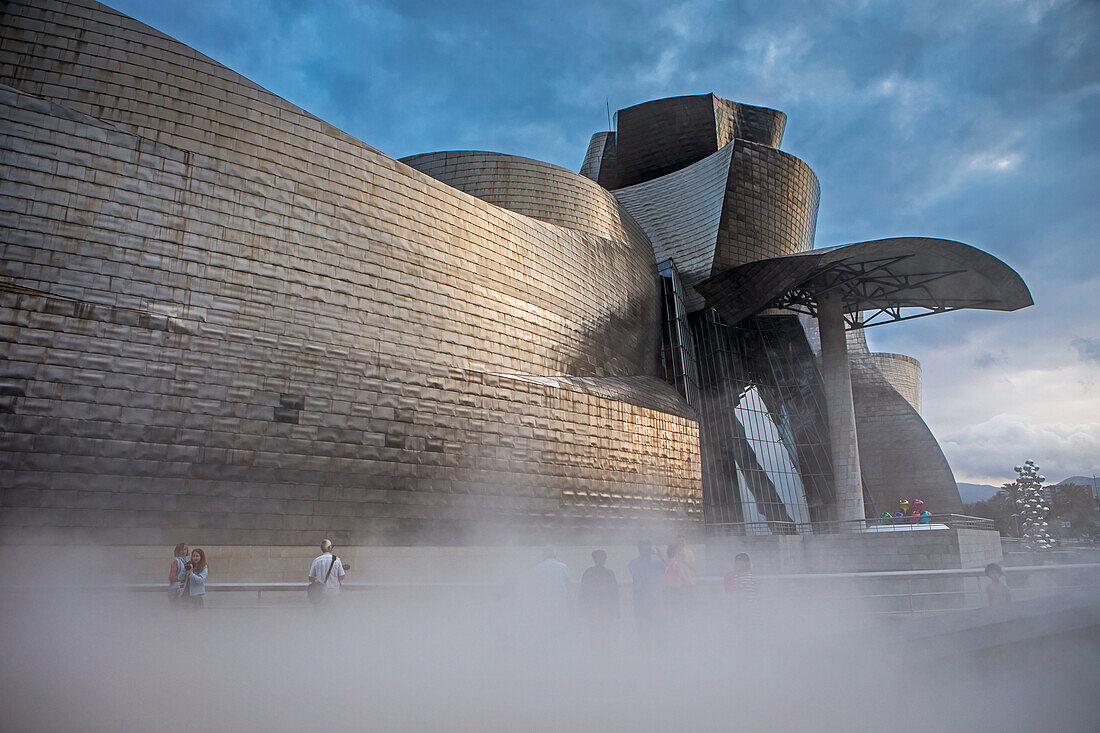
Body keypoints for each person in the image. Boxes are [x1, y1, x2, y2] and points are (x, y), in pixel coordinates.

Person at [627, 540, 665, 634]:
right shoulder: (657, 564)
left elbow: (630, 567)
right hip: (653, 599)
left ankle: (643, 644)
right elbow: (666, 568)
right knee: (654, 626)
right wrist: (658, 555)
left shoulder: (634, 563)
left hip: (640, 600)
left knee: (642, 626)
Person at [579, 549, 619, 632]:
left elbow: (614, 592)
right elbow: (583, 591)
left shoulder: (589, 572)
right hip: (597, 608)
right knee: (599, 632)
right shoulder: (608, 573)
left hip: (602, 608)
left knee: (600, 632)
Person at [723, 552, 760, 627]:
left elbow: (729, 593)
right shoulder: (754, 578)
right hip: (750, 611)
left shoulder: (734, 578)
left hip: (742, 611)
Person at [308, 539, 346, 605]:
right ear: (329, 547)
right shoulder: (336, 560)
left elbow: (311, 578)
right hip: (334, 592)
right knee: (334, 612)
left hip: (321, 593)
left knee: (321, 612)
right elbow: (342, 576)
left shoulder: (316, 561)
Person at [661, 542, 693, 618]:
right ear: (675, 553)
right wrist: (691, 583)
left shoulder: (664, 562)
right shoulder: (676, 563)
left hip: (666, 589)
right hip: (676, 589)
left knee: (668, 609)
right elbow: (681, 575)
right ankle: (678, 625)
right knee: (678, 610)